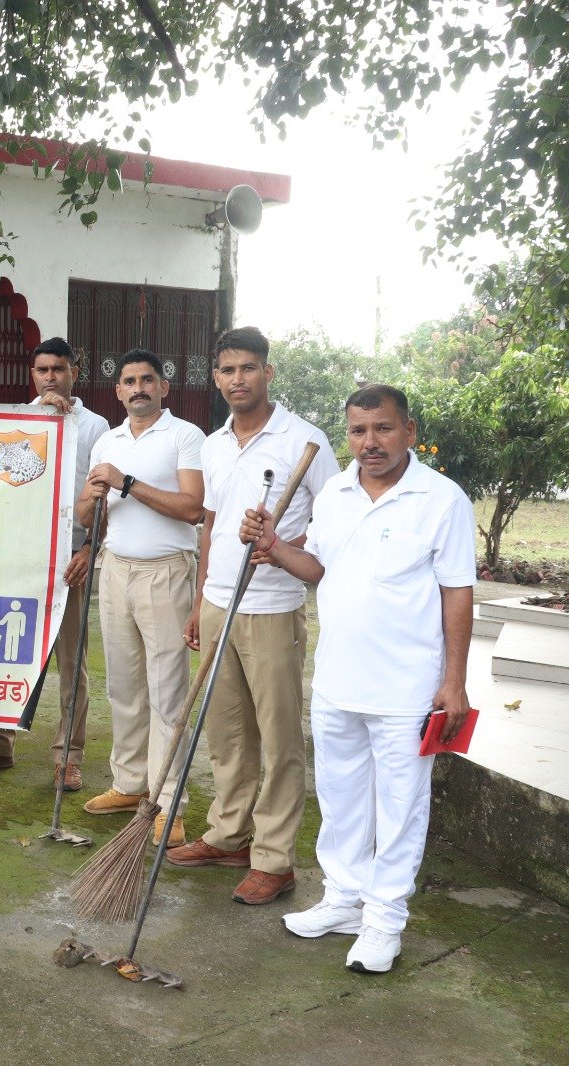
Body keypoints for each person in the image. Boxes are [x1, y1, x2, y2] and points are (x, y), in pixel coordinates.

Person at [242, 385, 474, 974]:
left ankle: (383, 919)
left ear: (410, 431)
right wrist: (272, 547)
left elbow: (457, 594)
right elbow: (319, 567)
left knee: (400, 807)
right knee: (342, 799)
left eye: (383, 429)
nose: (369, 443)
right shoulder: (338, 495)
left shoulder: (441, 499)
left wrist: (455, 682)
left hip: (406, 689)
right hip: (338, 680)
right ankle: (343, 899)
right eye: (358, 431)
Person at [167, 328, 338, 905]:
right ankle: (230, 833)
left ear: (268, 372)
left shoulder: (303, 440)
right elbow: (210, 527)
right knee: (227, 731)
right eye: (227, 370)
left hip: (272, 608)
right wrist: (198, 604)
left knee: (279, 736)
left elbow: (337, 523)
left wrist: (283, 543)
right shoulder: (215, 445)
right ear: (216, 378)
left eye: (248, 368)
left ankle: (274, 859)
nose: (237, 379)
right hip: (218, 602)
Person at [0, 337, 110, 791]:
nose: (50, 377)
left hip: (70, 561)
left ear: (74, 372)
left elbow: (102, 497)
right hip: (21, 558)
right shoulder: (15, 421)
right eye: (42, 370)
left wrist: (89, 551)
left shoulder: (96, 428)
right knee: (9, 654)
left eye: (59, 369)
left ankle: (68, 757)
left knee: (71, 663)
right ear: (33, 374)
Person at [79, 348, 205, 847]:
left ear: (163, 387)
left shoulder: (184, 436)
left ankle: (168, 799)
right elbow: (93, 519)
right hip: (114, 570)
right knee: (124, 687)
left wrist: (126, 483)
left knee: (167, 691)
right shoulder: (107, 442)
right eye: (129, 381)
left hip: (166, 573)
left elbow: (193, 508)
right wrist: (89, 503)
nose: (138, 389)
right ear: (117, 391)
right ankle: (130, 784)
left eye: (147, 380)